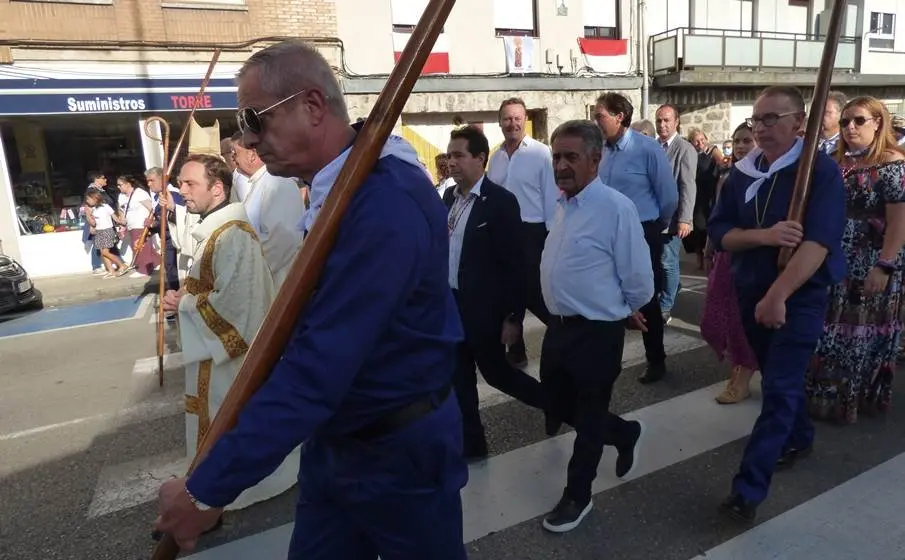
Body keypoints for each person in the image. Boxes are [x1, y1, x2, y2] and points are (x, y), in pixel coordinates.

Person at [154, 39, 468, 559]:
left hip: (399, 457)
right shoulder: (338, 186)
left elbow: (319, 365)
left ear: (313, 107)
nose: (249, 137)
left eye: (255, 119)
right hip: (337, 445)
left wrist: (207, 489)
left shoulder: (383, 203)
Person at [708, 85, 846, 522]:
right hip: (750, 291)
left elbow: (819, 244)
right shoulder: (743, 173)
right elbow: (721, 234)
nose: (761, 128)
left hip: (798, 299)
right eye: (756, 120)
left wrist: (779, 294)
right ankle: (801, 434)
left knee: (779, 388)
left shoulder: (820, 172)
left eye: (772, 119)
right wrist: (765, 237)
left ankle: (747, 491)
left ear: (798, 123)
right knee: (778, 379)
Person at [160, 153, 300, 513]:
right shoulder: (215, 229)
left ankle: (217, 498)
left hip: (228, 360)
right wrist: (185, 295)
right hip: (211, 353)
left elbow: (238, 304)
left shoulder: (233, 235)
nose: (182, 190)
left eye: (190, 183)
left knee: (229, 420)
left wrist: (184, 305)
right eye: (181, 182)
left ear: (218, 188)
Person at [539, 120, 652, 532]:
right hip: (560, 328)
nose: (561, 165)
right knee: (553, 401)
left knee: (587, 418)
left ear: (595, 160)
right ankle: (623, 433)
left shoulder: (615, 207)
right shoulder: (563, 204)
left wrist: (623, 307)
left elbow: (639, 278)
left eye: (571, 157)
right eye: (557, 157)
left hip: (597, 332)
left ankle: (577, 496)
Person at [443, 125, 544, 461]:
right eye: (449, 155)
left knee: (500, 376)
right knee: (460, 384)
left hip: (484, 312)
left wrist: (514, 317)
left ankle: (560, 405)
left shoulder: (501, 203)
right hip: (454, 308)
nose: (451, 162)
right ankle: (473, 446)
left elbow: (515, 266)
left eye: (459, 155)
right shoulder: (449, 198)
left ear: (480, 159)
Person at [806, 96, 905, 424]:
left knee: (860, 334)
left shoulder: (892, 163)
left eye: (859, 120)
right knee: (828, 329)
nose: (850, 127)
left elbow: (899, 221)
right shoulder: (836, 161)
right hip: (834, 257)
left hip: (871, 261)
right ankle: (824, 396)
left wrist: (885, 265)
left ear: (878, 122)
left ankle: (853, 399)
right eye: (846, 121)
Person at [595, 92, 678, 383]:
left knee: (645, 298)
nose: (596, 121)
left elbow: (668, 196)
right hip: (606, 232)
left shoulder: (647, 149)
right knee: (610, 294)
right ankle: (607, 362)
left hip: (643, 231)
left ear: (619, 117)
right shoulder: (599, 150)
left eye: (600, 115)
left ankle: (656, 360)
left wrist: (656, 227)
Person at [700, 123, 760, 405]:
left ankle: (742, 376)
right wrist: (710, 247)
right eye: (736, 141)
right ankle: (738, 368)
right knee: (716, 317)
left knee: (741, 320)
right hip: (726, 255)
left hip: (751, 257)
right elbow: (718, 217)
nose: (740, 146)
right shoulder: (729, 175)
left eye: (747, 141)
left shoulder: (767, 177)